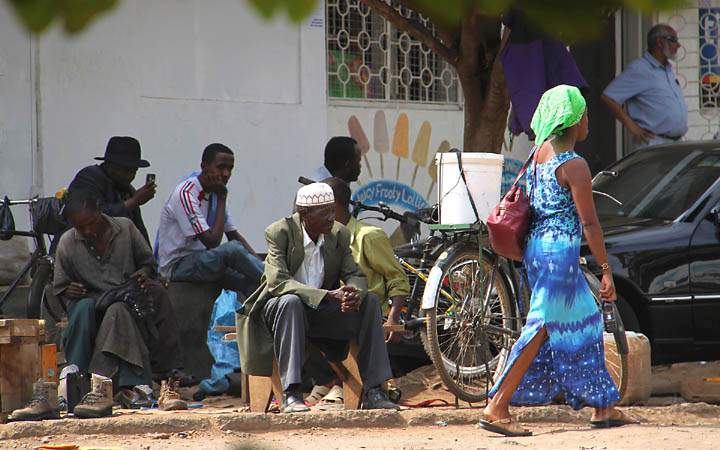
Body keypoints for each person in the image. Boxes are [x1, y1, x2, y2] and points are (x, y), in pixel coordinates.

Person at [479, 86, 637, 437]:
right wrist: (606, 270)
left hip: (536, 250)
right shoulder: (574, 164)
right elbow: (590, 223)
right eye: (585, 114)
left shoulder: (536, 155)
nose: (587, 121)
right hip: (559, 255)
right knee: (540, 327)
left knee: (588, 321)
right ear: (573, 120)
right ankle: (497, 407)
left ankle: (603, 406)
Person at [236, 183, 398, 413]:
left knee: (369, 302)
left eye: (333, 210)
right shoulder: (279, 232)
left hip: (321, 311)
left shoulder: (338, 234)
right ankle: (292, 393)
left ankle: (374, 391)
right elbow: (279, 282)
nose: (332, 217)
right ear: (305, 214)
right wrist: (325, 295)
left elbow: (354, 274)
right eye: (325, 212)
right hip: (280, 312)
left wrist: (354, 293)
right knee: (291, 302)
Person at [33, 190, 184, 419]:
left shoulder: (125, 229)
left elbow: (148, 264)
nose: (88, 231)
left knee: (118, 312)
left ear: (99, 211)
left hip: (123, 298)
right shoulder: (68, 242)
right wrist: (68, 290)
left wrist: (142, 274)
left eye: (90, 224)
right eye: (79, 227)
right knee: (83, 309)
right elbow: (60, 288)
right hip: (90, 301)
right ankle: (76, 374)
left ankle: (127, 384)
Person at [157, 143, 263, 296]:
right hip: (178, 265)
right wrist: (222, 198)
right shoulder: (186, 193)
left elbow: (234, 235)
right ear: (204, 167)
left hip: (205, 260)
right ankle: (279, 283)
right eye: (221, 167)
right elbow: (212, 242)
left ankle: (273, 286)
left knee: (252, 284)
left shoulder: (214, 191)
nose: (226, 174)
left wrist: (259, 263)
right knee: (232, 249)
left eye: (230, 169)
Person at [323, 177, 410, 343]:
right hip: (338, 314)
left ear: (333, 207)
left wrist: (393, 319)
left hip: (369, 316)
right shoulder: (323, 237)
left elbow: (398, 279)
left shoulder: (368, 236)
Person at [601, 24, 687, 150]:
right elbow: (608, 97)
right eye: (673, 40)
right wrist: (632, 127)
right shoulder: (640, 69)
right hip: (655, 143)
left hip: (676, 143)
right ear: (660, 42)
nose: (678, 46)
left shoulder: (667, 69)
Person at [68, 136, 155, 244]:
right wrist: (133, 202)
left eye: (134, 171)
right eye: (126, 170)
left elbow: (139, 231)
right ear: (110, 165)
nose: (130, 176)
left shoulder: (126, 189)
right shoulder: (88, 178)